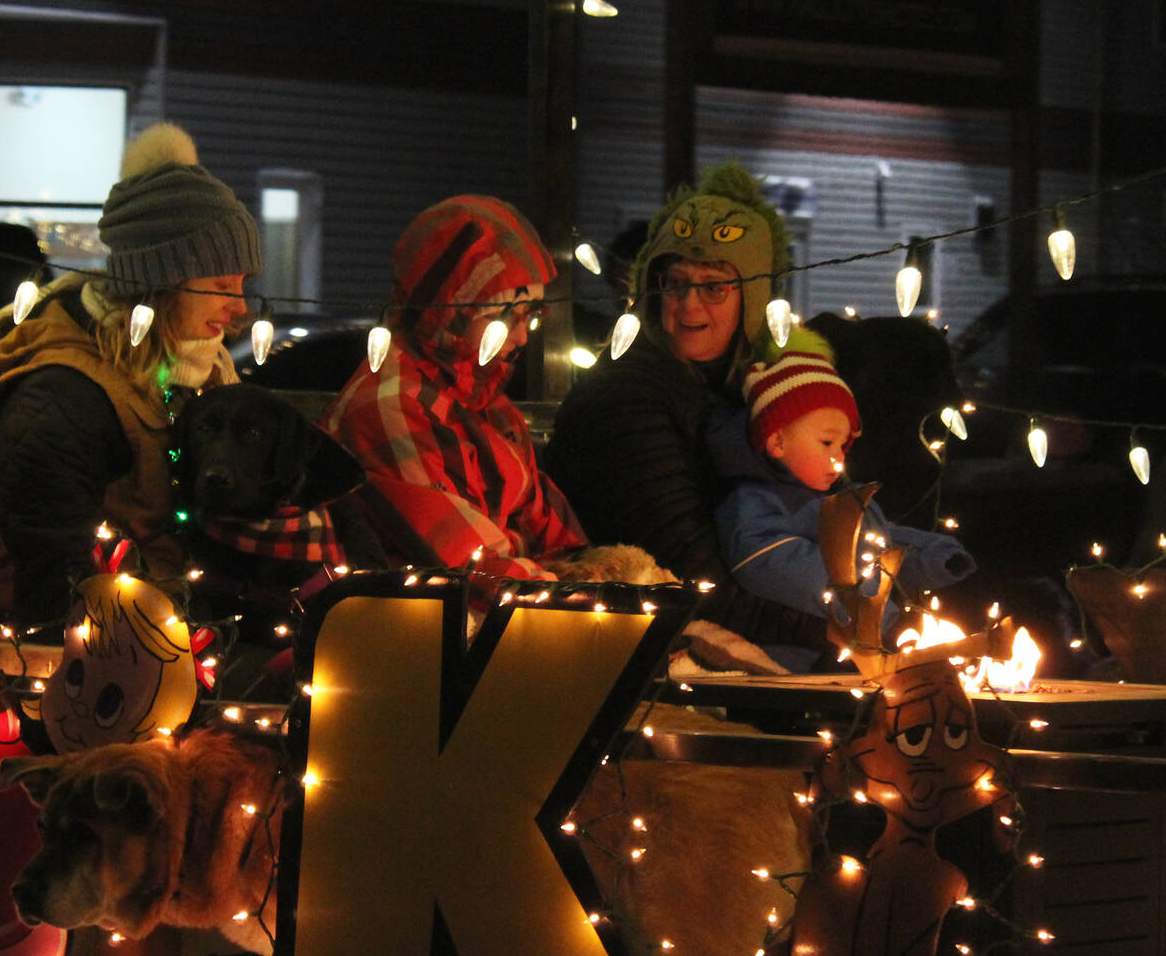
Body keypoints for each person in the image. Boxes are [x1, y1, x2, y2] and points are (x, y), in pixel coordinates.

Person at [0, 122, 259, 626]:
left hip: (171, 631)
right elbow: (53, 585)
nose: (240, 307)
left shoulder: (183, 376)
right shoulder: (62, 394)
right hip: (105, 661)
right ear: (162, 282)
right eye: (223, 285)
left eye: (244, 284)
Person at [544, 164, 836, 662]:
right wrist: (838, 632)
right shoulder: (628, 397)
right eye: (674, 283)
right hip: (637, 651)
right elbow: (692, 581)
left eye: (714, 286)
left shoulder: (747, 390)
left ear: (754, 296)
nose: (688, 305)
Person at [323, 196, 589, 581]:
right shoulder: (388, 406)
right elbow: (472, 568)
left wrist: (587, 571)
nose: (520, 336)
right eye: (502, 317)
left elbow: (556, 532)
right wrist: (555, 575)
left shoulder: (487, 403)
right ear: (449, 314)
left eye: (528, 316)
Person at [711, 352, 976, 670]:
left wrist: (932, 555)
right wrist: (868, 606)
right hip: (789, 663)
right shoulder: (755, 503)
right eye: (827, 443)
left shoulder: (831, 501)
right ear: (777, 441)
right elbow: (778, 563)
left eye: (843, 445)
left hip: (851, 649)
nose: (838, 456)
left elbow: (880, 544)